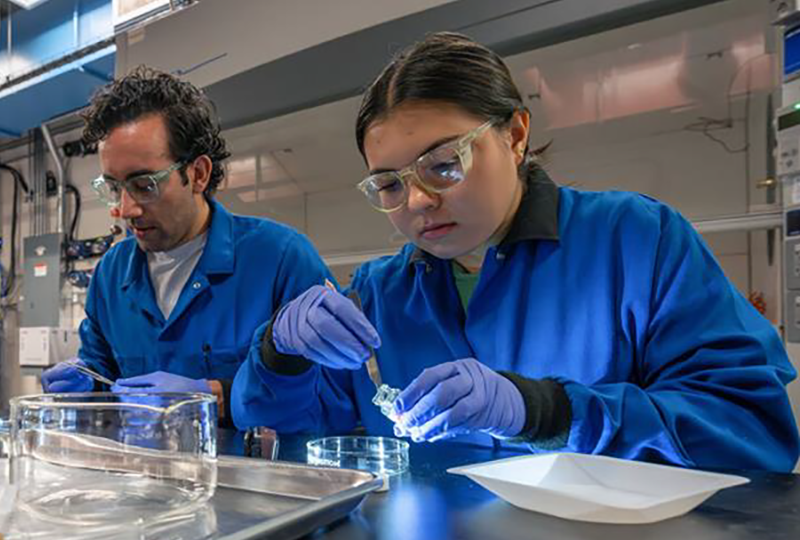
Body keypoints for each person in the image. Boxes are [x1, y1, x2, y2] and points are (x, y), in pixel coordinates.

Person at [232, 32, 800, 471]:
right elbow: (281, 429)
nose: (420, 201)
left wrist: (547, 413)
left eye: (444, 165)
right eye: (389, 185)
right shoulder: (381, 295)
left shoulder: (635, 241)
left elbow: (749, 430)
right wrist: (280, 351)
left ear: (515, 134)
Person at [41, 66, 332, 427]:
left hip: (253, 480)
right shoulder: (111, 273)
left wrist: (213, 396)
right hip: (142, 477)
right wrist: (85, 380)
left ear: (198, 174)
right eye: (114, 187)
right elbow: (103, 368)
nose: (125, 209)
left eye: (144, 185)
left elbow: (335, 400)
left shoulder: (280, 258)